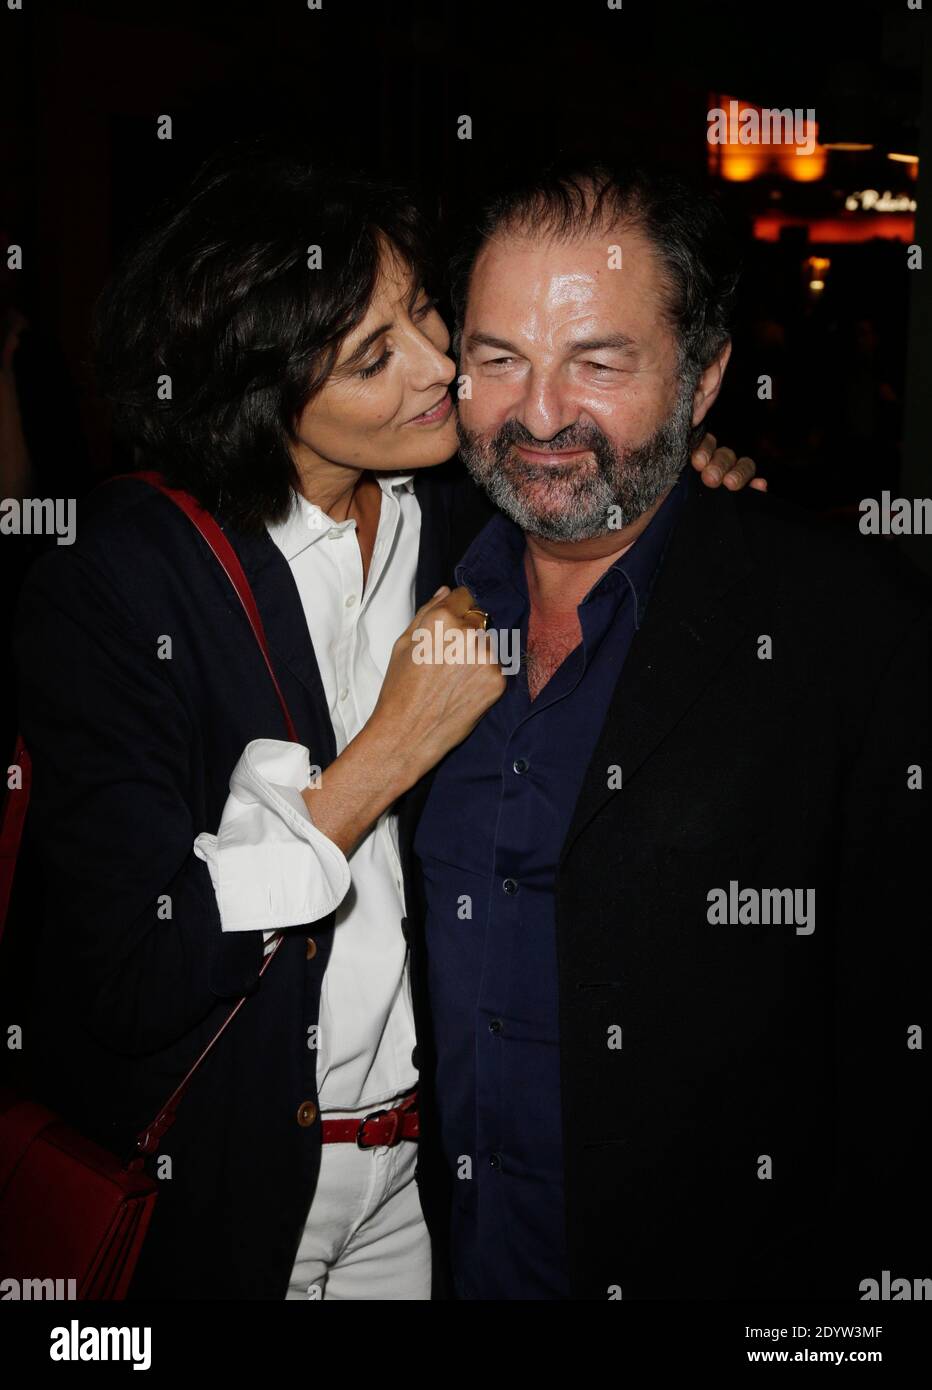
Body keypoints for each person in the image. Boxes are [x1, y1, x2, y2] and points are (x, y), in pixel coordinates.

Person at [8, 142, 757, 1300]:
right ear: (265, 398)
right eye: (374, 357)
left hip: (423, 1183)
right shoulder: (121, 580)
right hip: (224, 1183)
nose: (441, 371)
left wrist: (680, 462)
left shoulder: (460, 507)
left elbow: (600, 471)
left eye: (422, 313)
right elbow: (135, 970)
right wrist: (388, 750)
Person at [408, 160, 931, 1300]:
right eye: (498, 359)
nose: (538, 414)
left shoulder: (847, 633)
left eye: (596, 361)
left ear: (702, 383)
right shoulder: (401, 578)